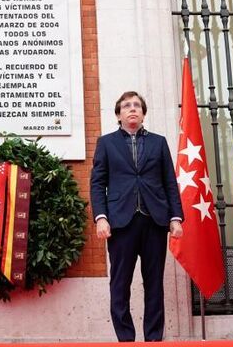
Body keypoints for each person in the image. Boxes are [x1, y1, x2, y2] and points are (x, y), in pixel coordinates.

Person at [90, 91, 183, 342]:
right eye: (127, 106)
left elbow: (169, 182)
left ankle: (153, 338)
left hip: (154, 221)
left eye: (137, 106)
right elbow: (98, 183)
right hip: (120, 223)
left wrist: (176, 217)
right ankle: (126, 339)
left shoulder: (158, 142)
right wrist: (101, 217)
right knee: (120, 285)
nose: (133, 109)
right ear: (118, 114)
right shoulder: (106, 143)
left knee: (154, 284)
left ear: (143, 113)